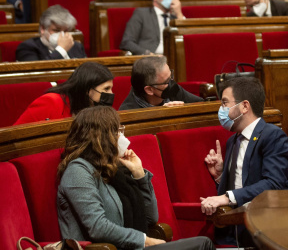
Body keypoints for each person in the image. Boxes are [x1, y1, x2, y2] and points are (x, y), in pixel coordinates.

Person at [57, 106, 215, 250]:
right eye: (117, 131)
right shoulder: (78, 171)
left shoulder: (114, 169)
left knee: (202, 244)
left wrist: (139, 174)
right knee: (202, 245)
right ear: (101, 137)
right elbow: (97, 227)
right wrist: (145, 240)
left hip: (131, 247)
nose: (122, 137)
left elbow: (151, 218)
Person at [200, 77, 288, 246]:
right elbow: (241, 186)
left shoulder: (272, 136)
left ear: (244, 106)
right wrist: (220, 175)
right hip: (241, 224)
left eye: (225, 103)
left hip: (276, 224)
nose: (221, 109)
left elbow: (273, 184)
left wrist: (225, 198)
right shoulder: (234, 141)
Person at [14, 62, 114, 125]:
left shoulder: (91, 109)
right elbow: (16, 138)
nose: (111, 93)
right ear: (87, 90)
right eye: (106, 89)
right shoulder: (51, 102)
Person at [120, 0, 184, 55]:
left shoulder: (176, 17)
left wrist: (179, 13)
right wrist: (147, 54)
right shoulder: (142, 14)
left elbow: (187, 39)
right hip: (151, 59)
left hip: (175, 57)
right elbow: (126, 42)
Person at [119, 56, 203, 110]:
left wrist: (184, 110)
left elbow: (202, 106)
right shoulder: (128, 112)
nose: (171, 83)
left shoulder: (174, 91)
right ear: (149, 90)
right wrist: (162, 113)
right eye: (166, 81)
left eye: (171, 76)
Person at [16, 5, 87, 61]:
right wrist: (61, 49)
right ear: (43, 29)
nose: (62, 35)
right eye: (56, 30)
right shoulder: (27, 47)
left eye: (65, 31)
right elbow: (37, 72)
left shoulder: (76, 46)